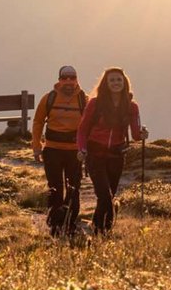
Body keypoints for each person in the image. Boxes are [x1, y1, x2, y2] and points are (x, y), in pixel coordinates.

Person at [77, 67, 148, 234]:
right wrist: (82, 149)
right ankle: (104, 232)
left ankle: (96, 228)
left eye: (119, 80)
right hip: (95, 154)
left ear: (125, 83)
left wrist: (143, 134)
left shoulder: (132, 107)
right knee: (105, 196)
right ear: (106, 84)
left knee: (108, 196)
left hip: (116, 156)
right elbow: (82, 129)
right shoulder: (95, 104)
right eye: (112, 80)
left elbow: (135, 135)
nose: (116, 83)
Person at [32, 65, 86, 236]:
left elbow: (90, 125)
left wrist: (87, 149)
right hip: (52, 150)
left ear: (77, 79)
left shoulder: (84, 100)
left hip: (75, 152)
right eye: (65, 78)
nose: (68, 81)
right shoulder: (49, 98)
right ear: (59, 80)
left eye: (72, 77)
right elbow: (38, 122)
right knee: (55, 187)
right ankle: (55, 223)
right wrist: (36, 147)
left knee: (73, 188)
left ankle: (69, 223)